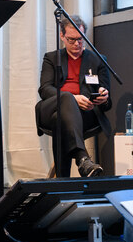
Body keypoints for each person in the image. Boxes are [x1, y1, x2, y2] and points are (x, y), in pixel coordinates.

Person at [35, 14, 111, 177]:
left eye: (80, 39)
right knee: (67, 98)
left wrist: (103, 97)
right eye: (71, 40)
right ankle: (83, 159)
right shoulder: (52, 58)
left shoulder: (98, 60)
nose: (77, 43)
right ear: (62, 36)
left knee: (59, 120)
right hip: (51, 107)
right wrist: (72, 98)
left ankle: (64, 182)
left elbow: (107, 103)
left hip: (85, 114)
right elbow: (44, 90)